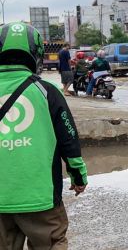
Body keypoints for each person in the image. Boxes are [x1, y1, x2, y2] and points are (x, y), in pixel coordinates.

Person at [0, 22, 88, 249]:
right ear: (36, 53)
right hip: (41, 199)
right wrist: (78, 177)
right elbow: (69, 139)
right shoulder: (47, 91)